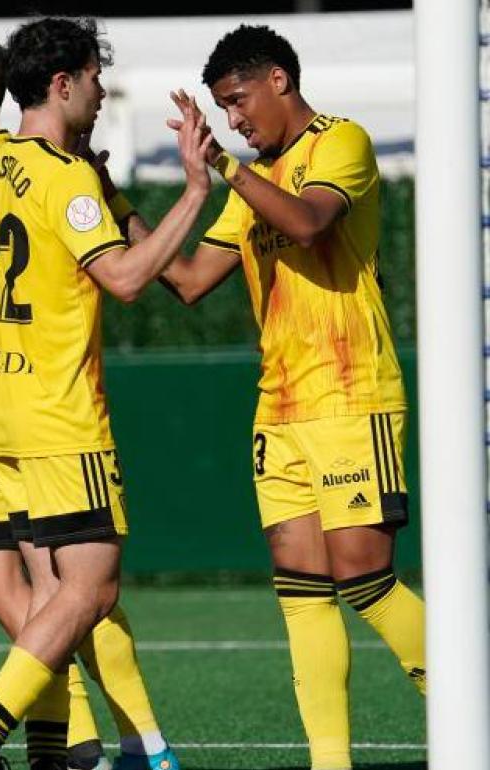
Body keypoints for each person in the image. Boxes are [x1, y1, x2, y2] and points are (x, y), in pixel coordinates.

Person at [0, 17, 209, 770]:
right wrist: (193, 192)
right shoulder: (65, 176)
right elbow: (122, 278)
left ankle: (142, 749)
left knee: (68, 593)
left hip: (2, 410)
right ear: (62, 83)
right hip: (60, 413)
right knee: (89, 589)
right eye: (93, 79)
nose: (97, 92)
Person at [151, 25, 425, 770]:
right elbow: (185, 281)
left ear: (278, 79)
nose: (235, 120)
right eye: (222, 110)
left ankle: (471, 708)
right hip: (280, 407)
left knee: (365, 580)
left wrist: (229, 171)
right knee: (302, 592)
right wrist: (104, 199)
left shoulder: (342, 142)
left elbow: (306, 224)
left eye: (237, 102)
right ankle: (329, 763)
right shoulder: (257, 178)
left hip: (350, 394)